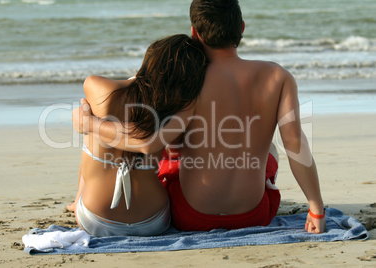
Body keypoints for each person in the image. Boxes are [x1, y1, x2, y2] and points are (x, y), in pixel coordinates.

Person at [72, 0, 326, 234]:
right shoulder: (278, 76)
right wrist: (316, 210)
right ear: (242, 28)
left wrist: (89, 124)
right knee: (270, 149)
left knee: (173, 154)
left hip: (191, 216)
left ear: (195, 32)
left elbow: (151, 143)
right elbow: (294, 143)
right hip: (254, 215)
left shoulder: (190, 80)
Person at [68, 34, 208, 237]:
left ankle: (77, 200)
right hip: (154, 220)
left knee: (90, 137)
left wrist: (89, 123)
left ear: (150, 61)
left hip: (96, 217)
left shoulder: (97, 85)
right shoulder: (183, 108)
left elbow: (143, 139)